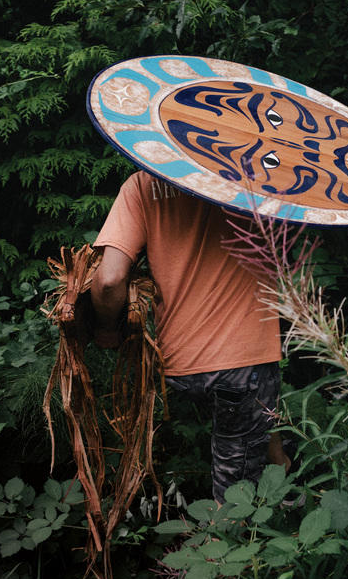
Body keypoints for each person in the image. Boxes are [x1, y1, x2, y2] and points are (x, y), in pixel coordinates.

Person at [90, 169, 290, 502]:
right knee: (236, 490)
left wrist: (107, 329)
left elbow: (109, 279)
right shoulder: (261, 177)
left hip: (179, 364)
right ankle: (226, 547)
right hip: (244, 362)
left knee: (255, 422)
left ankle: (284, 480)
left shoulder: (143, 183)